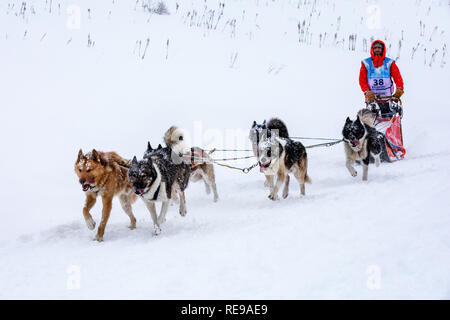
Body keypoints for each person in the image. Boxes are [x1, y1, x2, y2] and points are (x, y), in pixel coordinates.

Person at [359, 40, 404, 114]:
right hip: (372, 98)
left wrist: (399, 89)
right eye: (375, 48)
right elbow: (362, 80)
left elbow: (397, 77)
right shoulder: (366, 63)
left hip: (387, 97)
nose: (377, 49)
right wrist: (367, 91)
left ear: (382, 49)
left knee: (390, 116)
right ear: (372, 49)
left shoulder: (389, 63)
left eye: (379, 48)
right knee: (372, 118)